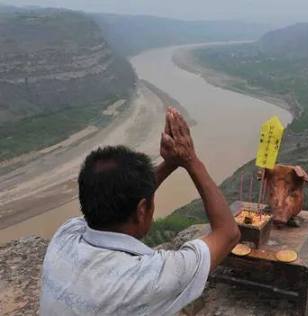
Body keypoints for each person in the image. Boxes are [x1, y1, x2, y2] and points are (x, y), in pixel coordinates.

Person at [39, 107, 241, 315]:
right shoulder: (148, 278)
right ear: (142, 210)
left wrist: (171, 163)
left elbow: (114, 197)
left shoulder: (64, 236)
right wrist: (191, 161)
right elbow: (228, 233)